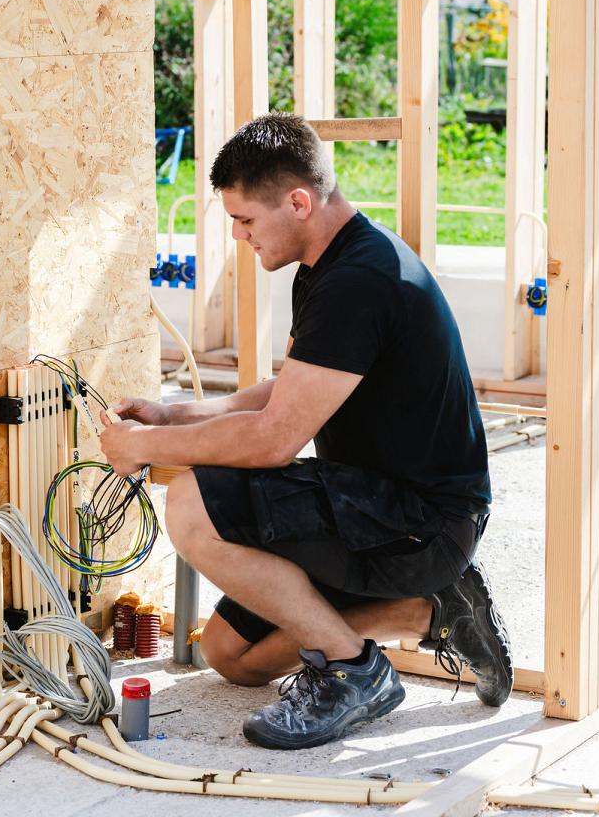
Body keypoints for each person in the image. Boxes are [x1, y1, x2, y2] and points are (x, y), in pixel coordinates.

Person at [99, 112, 512, 751]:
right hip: (365, 500)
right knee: (232, 658)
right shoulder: (325, 265)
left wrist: (146, 450)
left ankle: (354, 671)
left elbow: (272, 440)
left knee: (192, 500)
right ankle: (435, 613)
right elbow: (289, 391)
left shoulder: (360, 282)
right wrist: (175, 414)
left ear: (298, 201)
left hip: (416, 521)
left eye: (245, 220)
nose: (239, 236)